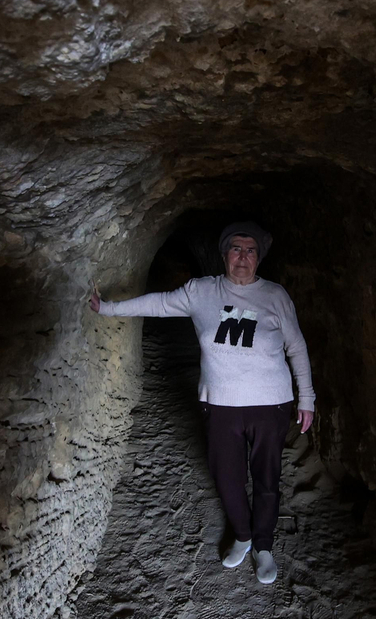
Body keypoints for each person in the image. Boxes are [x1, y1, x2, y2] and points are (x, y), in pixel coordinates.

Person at [89, 222, 315, 585]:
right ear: (224, 255)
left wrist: (307, 398)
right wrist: (109, 308)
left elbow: (297, 347)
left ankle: (263, 546)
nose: (243, 257)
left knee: (267, 479)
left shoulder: (275, 295)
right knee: (227, 477)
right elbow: (159, 304)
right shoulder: (201, 291)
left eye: (250, 250)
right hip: (221, 404)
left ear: (259, 258)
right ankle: (242, 534)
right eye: (236, 249)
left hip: (271, 403)